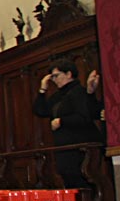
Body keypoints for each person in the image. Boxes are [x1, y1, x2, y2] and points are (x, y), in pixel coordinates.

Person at [32, 59, 102, 189]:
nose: (54, 80)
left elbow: (84, 117)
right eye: (52, 77)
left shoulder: (79, 92)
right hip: (64, 147)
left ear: (69, 74)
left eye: (56, 76)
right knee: (69, 181)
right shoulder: (57, 96)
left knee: (83, 182)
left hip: (80, 147)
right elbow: (40, 110)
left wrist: (61, 121)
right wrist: (42, 89)